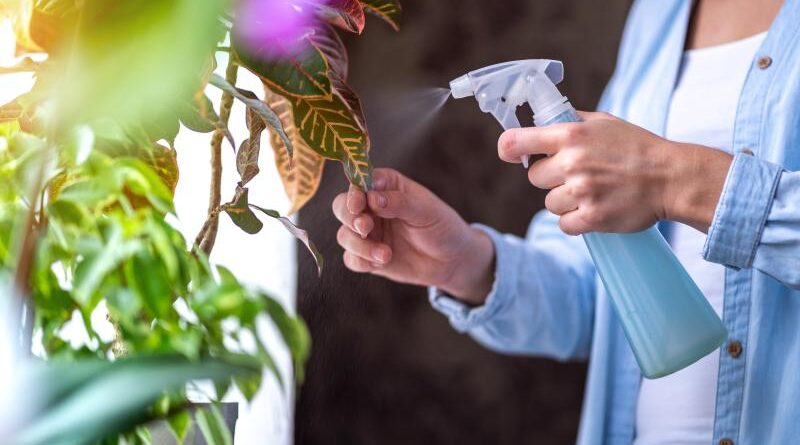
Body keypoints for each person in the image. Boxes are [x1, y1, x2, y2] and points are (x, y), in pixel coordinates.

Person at [332, 0, 799, 443]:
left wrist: (672, 179)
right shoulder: (660, 17)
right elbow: (603, 296)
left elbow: (656, 178)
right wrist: (468, 264)